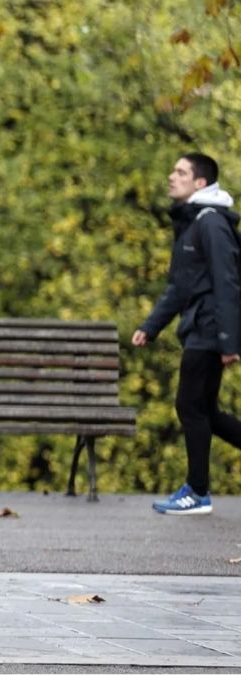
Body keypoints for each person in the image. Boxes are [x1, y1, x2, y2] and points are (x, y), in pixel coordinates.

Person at [134, 152, 241, 515]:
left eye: (180, 172)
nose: (171, 176)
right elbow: (180, 287)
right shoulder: (193, 223)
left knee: (189, 406)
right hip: (201, 325)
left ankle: (197, 492)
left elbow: (228, 281)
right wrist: (150, 327)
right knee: (205, 412)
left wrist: (229, 340)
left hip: (210, 328)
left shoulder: (210, 223)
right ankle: (196, 491)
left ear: (200, 183)